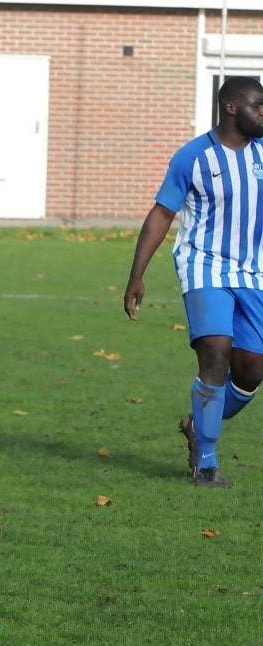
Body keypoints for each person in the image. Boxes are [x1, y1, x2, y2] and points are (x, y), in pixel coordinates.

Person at [123, 76, 263, 489]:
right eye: (259, 105)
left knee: (252, 370)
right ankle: (207, 463)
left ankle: (196, 424)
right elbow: (162, 214)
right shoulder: (193, 157)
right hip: (203, 266)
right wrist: (137, 275)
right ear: (232, 107)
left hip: (253, 272)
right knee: (215, 354)